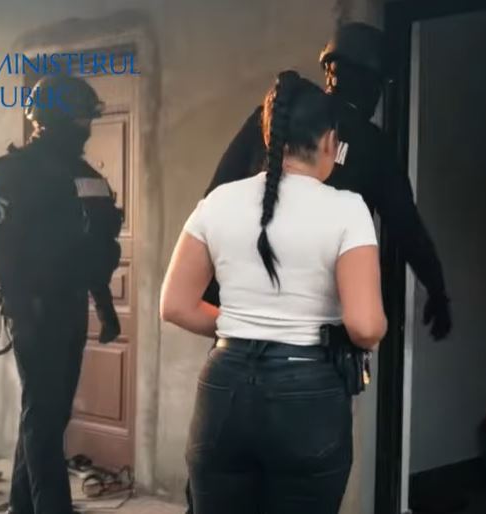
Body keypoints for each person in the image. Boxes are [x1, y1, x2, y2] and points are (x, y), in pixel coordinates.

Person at [161, 70, 386, 514]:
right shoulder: (346, 209)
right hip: (308, 393)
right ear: (329, 141)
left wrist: (243, 327)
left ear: (270, 136)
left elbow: (175, 305)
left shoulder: (218, 202)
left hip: (224, 388)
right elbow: (365, 325)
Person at [203, 22, 451, 340]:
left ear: (329, 71)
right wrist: (437, 290)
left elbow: (215, 197)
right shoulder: (372, 149)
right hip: (317, 335)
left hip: (244, 325)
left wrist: (225, 315)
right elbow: (406, 228)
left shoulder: (269, 119)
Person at [0, 75, 123, 514]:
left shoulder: (87, 176)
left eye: (87, 118)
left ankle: (23, 506)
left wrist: (104, 306)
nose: (85, 127)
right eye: (79, 117)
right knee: (43, 415)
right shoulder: (13, 172)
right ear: (50, 118)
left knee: (49, 414)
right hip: (34, 308)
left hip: (70, 306)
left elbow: (97, 248)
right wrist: (19, 307)